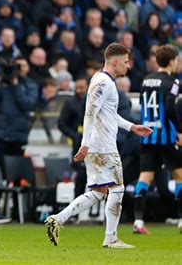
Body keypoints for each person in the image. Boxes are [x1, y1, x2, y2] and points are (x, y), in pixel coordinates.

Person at [45, 43, 153, 248]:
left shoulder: (102, 80)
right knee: (118, 189)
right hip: (102, 146)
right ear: (114, 62)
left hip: (98, 144)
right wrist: (85, 144)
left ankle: (57, 219)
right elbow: (89, 113)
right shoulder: (104, 82)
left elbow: (109, 114)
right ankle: (110, 238)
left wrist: (132, 127)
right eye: (125, 62)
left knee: (99, 192)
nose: (128, 66)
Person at [133, 44, 182, 234]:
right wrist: (179, 130)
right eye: (177, 59)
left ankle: (138, 221)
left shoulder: (146, 80)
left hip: (148, 135)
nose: (177, 63)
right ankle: (180, 220)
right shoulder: (173, 82)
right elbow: (169, 106)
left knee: (145, 177)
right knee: (179, 176)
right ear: (171, 61)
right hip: (166, 136)